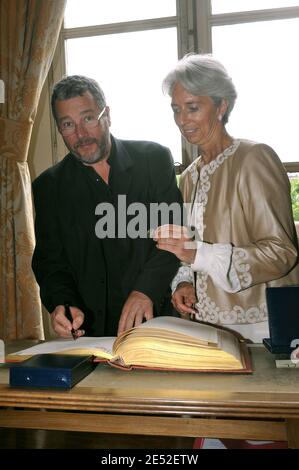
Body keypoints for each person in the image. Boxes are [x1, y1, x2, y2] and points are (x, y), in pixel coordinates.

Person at [153, 53, 299, 449]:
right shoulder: (190, 175)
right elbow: (192, 246)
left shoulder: (255, 158)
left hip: (263, 336)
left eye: (193, 107)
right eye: (176, 109)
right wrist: (185, 281)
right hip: (212, 336)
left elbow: (281, 252)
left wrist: (196, 255)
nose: (183, 120)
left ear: (222, 106)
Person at [32, 75, 182, 338]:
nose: (80, 134)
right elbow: (50, 262)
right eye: (68, 125)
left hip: (157, 321)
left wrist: (145, 289)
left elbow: (174, 236)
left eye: (88, 118)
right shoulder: (48, 186)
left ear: (107, 115)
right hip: (89, 334)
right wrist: (63, 305)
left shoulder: (154, 160)